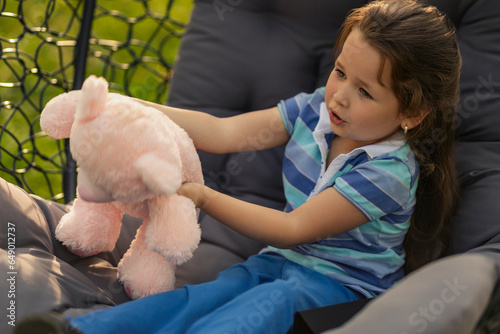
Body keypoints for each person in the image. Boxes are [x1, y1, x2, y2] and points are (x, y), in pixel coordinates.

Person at [15, 1, 461, 333]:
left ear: (413, 113)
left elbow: (294, 229)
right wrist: (128, 106)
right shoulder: (314, 112)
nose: (341, 95)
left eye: (366, 91)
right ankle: (80, 329)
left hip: (344, 292)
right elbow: (225, 133)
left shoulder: (389, 173)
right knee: (208, 294)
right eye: (340, 72)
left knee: (266, 307)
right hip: (281, 261)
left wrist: (206, 196)